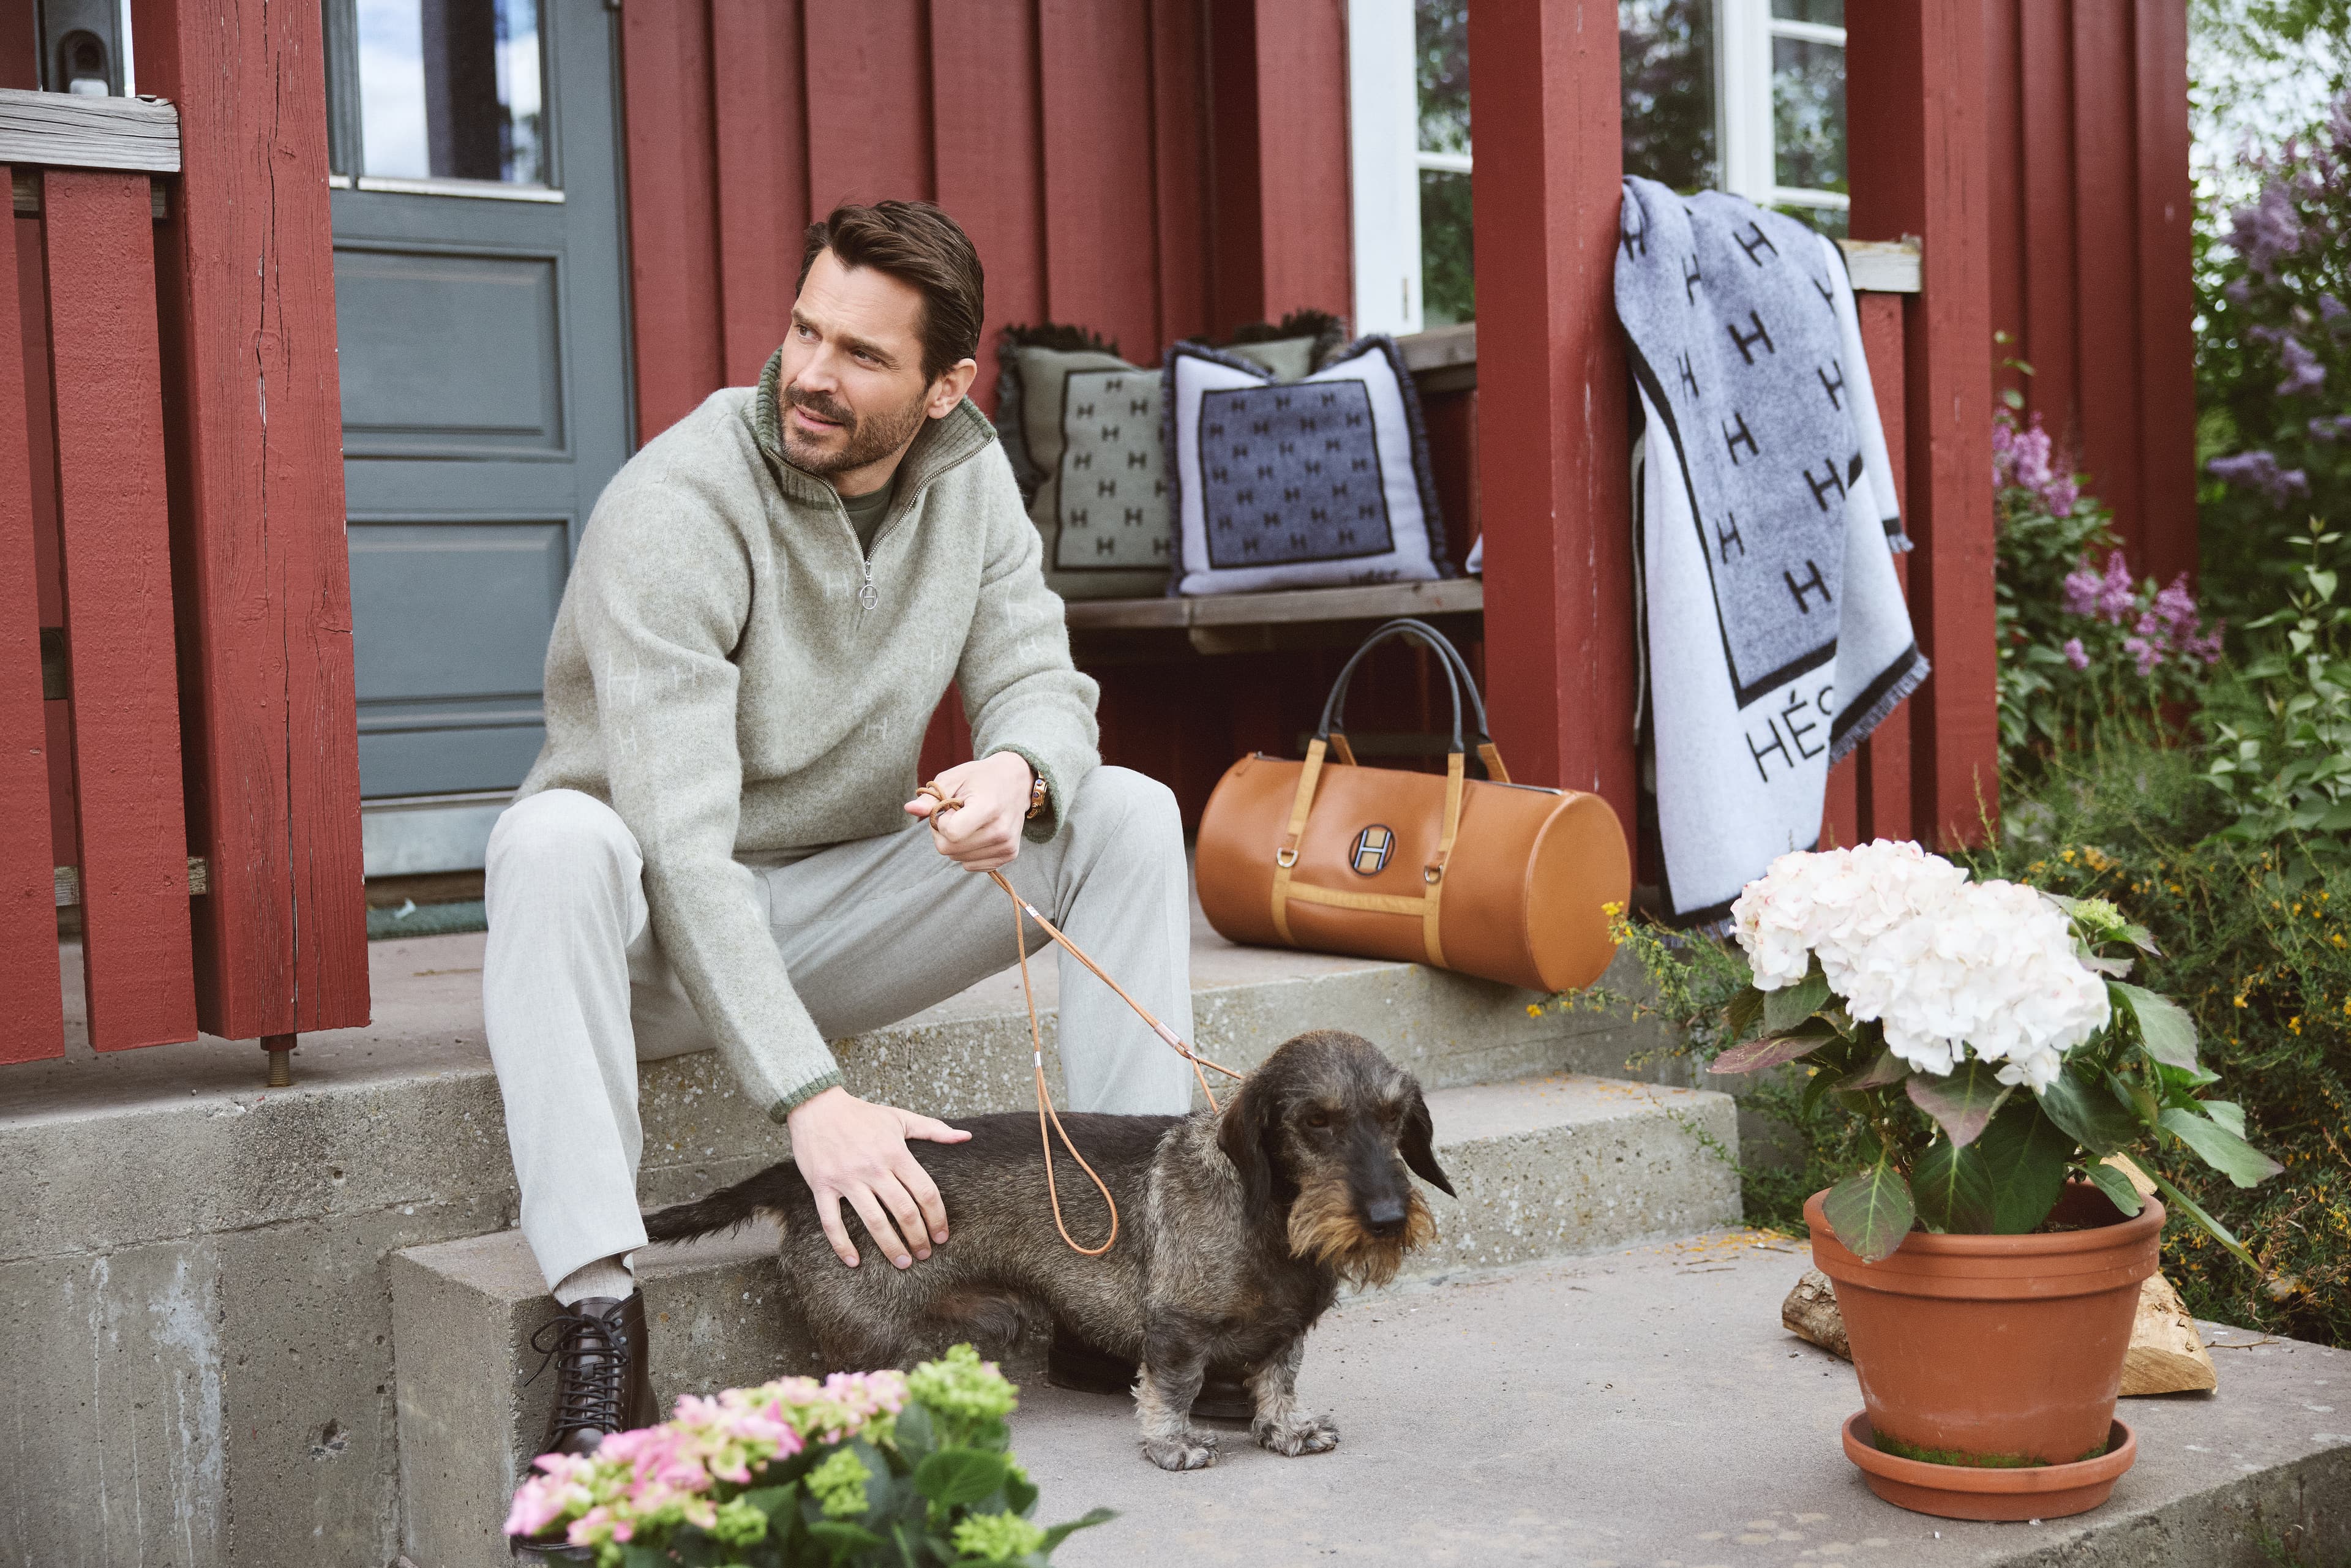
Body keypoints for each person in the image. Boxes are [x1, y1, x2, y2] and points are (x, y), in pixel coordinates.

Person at [481, 200, 1194, 1466]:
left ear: (943, 388)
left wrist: (1017, 770)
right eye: (807, 330)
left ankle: (1131, 1285)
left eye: (862, 353)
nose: (811, 372)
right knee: (550, 844)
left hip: (830, 915)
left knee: (1126, 810)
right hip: (645, 946)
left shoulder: (969, 477)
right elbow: (681, 846)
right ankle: (597, 1317)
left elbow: (1041, 676)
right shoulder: (677, 505)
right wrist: (813, 1101)